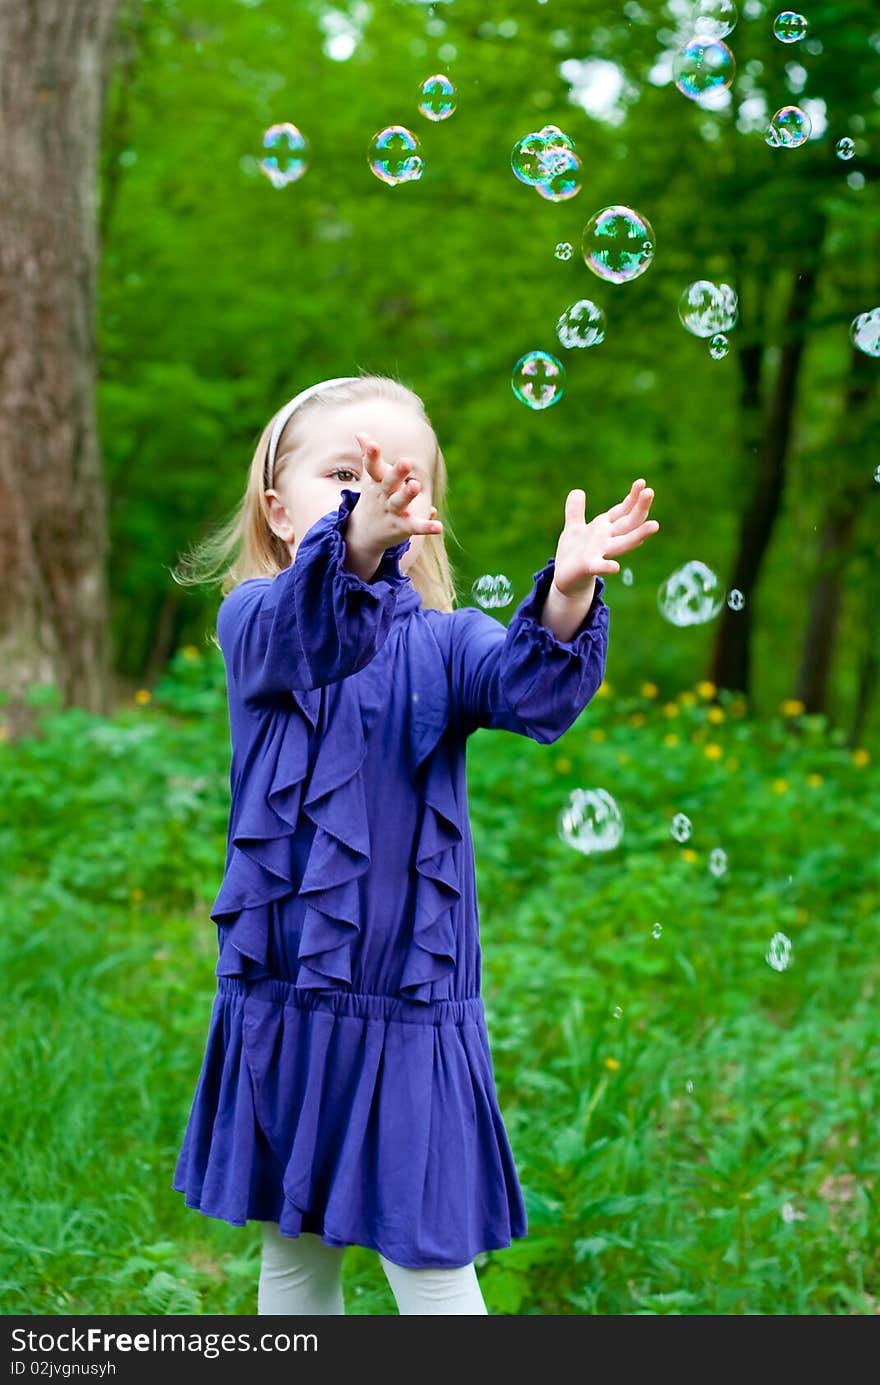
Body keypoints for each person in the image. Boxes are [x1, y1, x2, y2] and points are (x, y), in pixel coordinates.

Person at [170, 373, 659, 1315]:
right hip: (287, 989)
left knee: (430, 1264)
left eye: (396, 474)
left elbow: (526, 685)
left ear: (426, 508)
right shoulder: (261, 623)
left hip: (408, 999)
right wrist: (351, 542)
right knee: (294, 1256)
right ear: (276, 509)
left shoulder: (445, 642)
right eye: (343, 472)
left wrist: (564, 591)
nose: (371, 490)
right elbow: (316, 621)